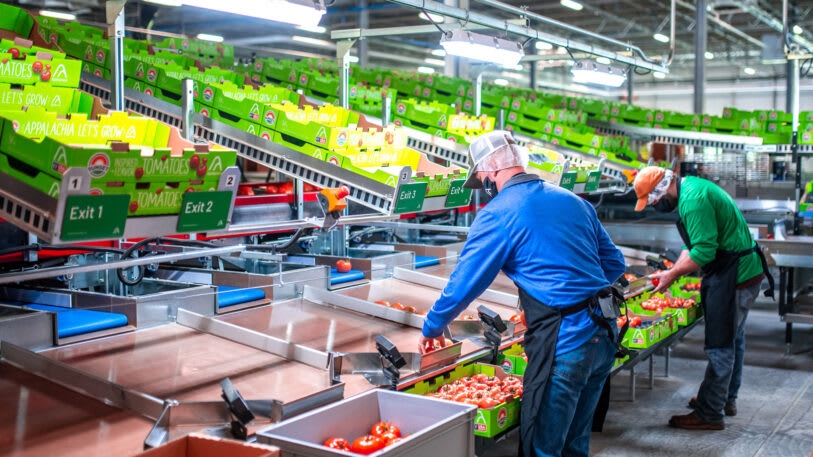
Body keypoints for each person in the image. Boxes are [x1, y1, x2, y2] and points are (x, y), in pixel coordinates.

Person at [418, 130, 627, 457]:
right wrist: (577, 287)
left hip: (567, 341)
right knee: (575, 442)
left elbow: (465, 283)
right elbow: (614, 262)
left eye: (482, 179)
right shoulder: (573, 201)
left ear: (490, 172)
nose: (483, 187)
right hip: (604, 332)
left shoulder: (500, 212)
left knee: (544, 448)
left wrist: (432, 326)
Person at [632, 166, 774, 430]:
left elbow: (704, 253)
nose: (653, 204)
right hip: (741, 271)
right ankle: (722, 398)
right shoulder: (692, 188)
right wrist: (672, 271)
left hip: (735, 276)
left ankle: (710, 413)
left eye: (652, 199)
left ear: (662, 189)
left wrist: (672, 275)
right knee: (733, 339)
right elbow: (694, 245)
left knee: (720, 345)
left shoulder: (693, 201)